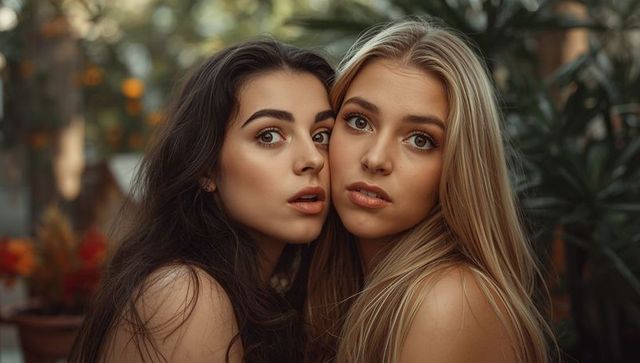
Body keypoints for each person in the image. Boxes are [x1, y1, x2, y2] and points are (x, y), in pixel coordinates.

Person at [305, 19, 555, 363]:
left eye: (420, 140)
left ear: (459, 165)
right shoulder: (332, 289)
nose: (376, 159)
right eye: (359, 121)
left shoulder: (448, 300)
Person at [70, 39, 335, 363]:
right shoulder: (186, 295)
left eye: (322, 135)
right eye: (269, 135)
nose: (312, 158)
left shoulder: (273, 293)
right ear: (206, 167)